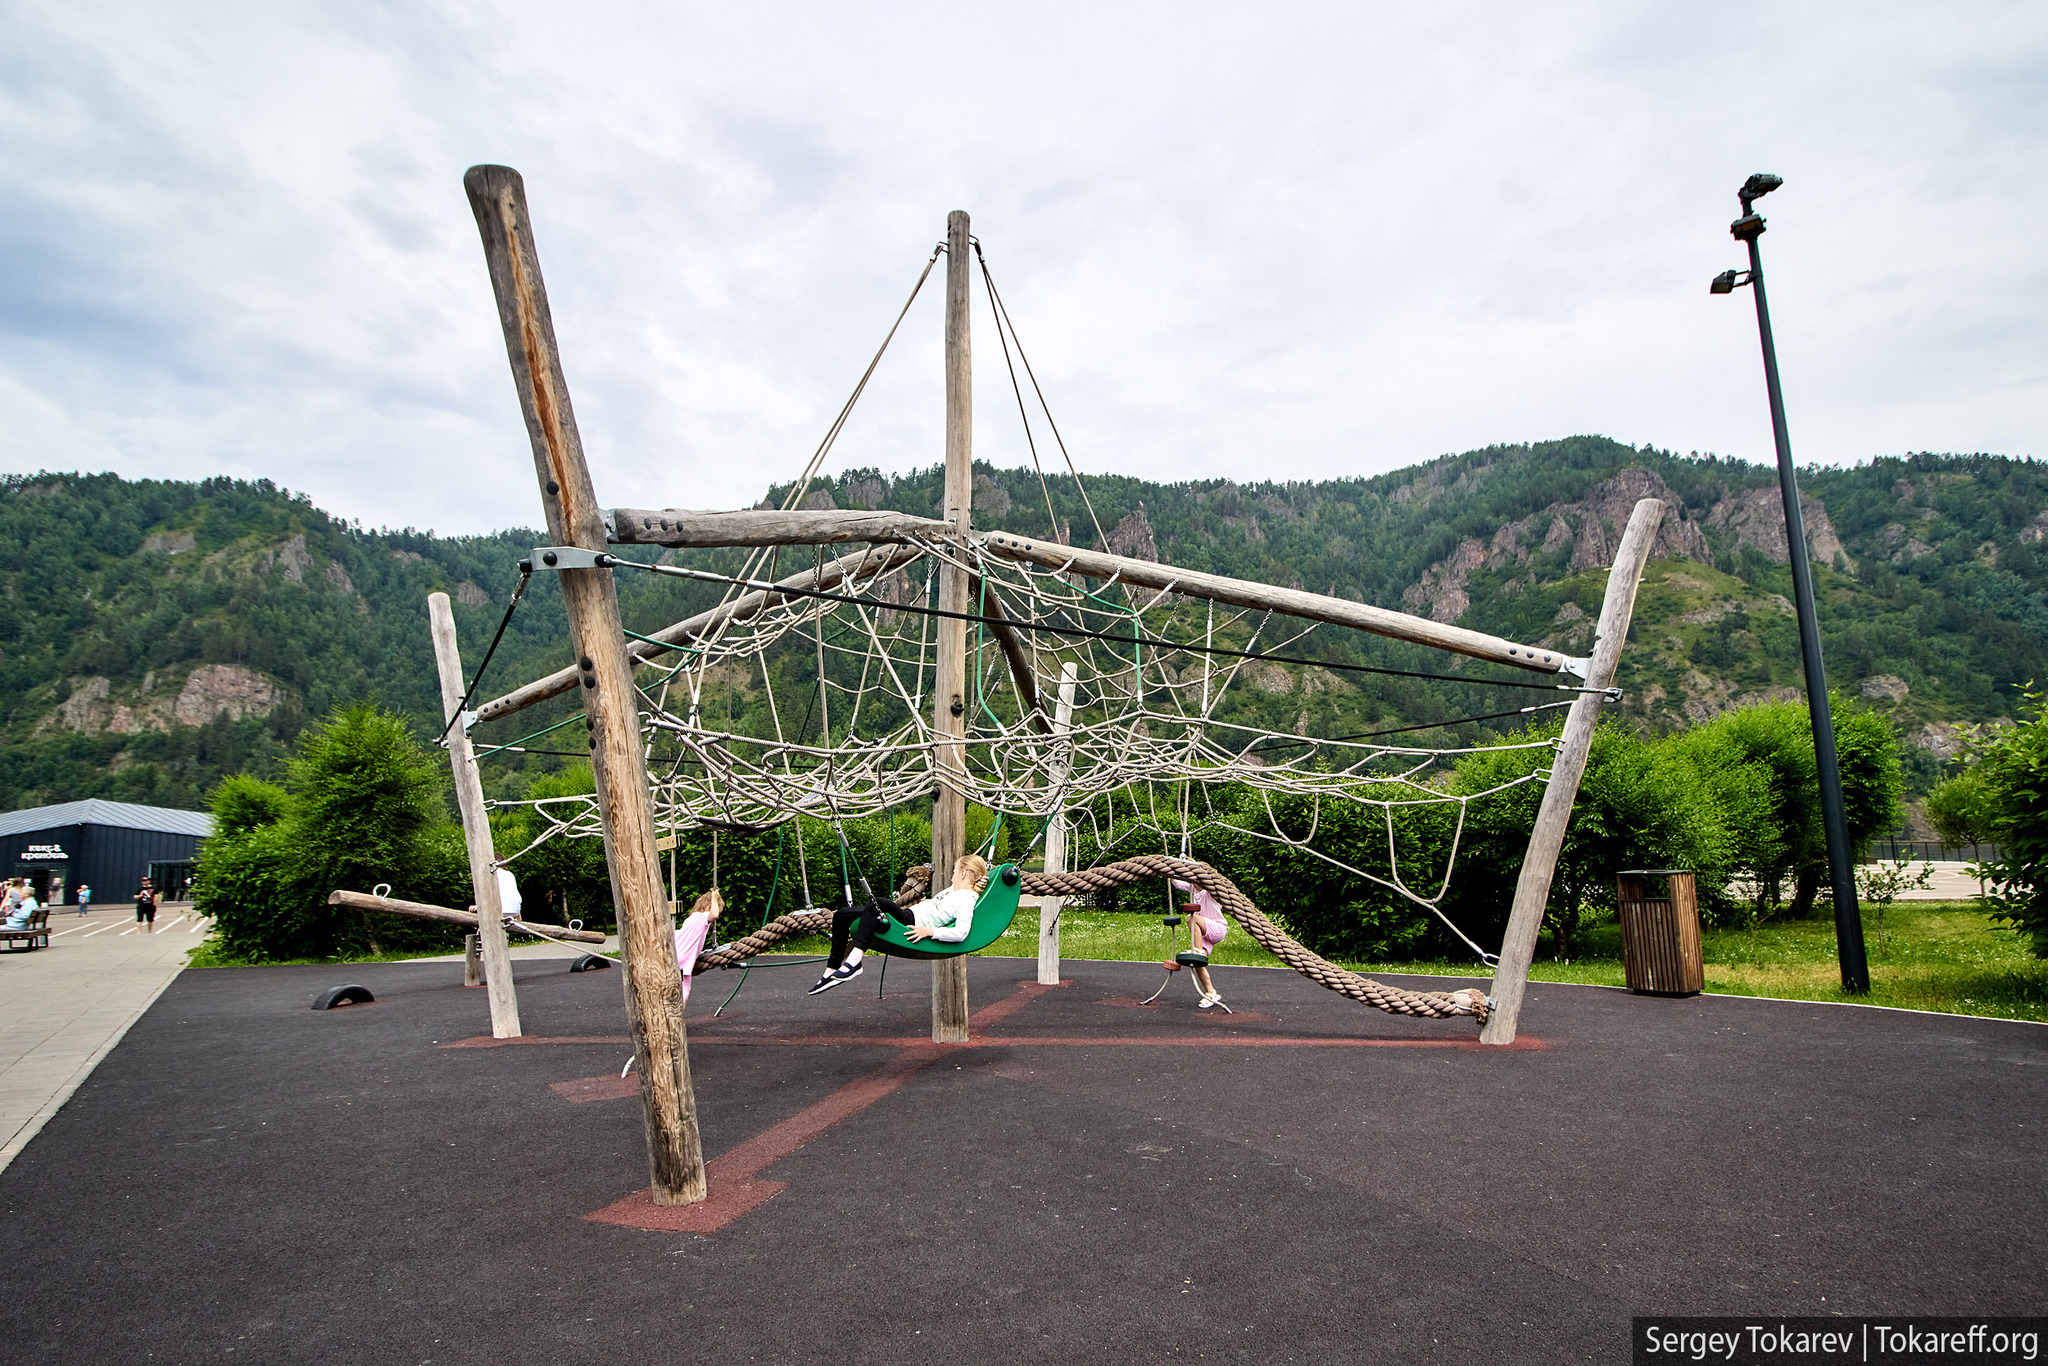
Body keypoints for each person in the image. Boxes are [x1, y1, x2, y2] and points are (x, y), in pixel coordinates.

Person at [809, 853, 989, 995]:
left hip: (909, 921)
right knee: (841, 916)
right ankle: (831, 970)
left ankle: (855, 962)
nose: (952, 876)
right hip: (908, 914)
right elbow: (966, 883)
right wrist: (980, 880)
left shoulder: (966, 899)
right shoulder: (956, 891)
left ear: (963, 873)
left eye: (955, 871)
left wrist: (930, 932)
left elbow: (961, 932)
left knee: (875, 904)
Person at [1171, 876, 1229, 1009]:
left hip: (1216, 928)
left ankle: (1197, 948)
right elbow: (1178, 884)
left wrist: (1195, 864)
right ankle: (1211, 993)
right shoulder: (1193, 889)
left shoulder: (1209, 891)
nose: (1195, 884)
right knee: (1198, 961)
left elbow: (1215, 883)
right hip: (1204, 931)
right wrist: (1169, 872)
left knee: (1192, 918)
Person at [673, 888, 724, 1007]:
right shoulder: (703, 917)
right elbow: (714, 915)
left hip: (676, 956)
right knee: (684, 991)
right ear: (709, 907)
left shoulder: (691, 918)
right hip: (683, 962)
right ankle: (677, 1017)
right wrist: (714, 897)